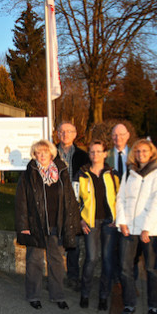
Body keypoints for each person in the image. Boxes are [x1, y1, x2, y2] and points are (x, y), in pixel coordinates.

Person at [15, 139, 81, 310]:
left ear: (52, 153)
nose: (42, 154)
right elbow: (21, 202)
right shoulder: (29, 174)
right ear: (34, 154)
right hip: (36, 225)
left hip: (56, 225)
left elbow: (70, 199)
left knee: (57, 260)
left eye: (45, 151)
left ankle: (57, 295)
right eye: (39, 152)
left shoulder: (62, 171)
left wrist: (72, 222)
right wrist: (24, 225)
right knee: (34, 260)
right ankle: (33, 295)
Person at [116, 139, 157, 314]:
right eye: (137, 151)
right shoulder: (130, 173)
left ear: (151, 153)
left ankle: (154, 306)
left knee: (152, 269)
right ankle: (129, 303)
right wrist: (121, 222)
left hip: (148, 231)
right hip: (128, 229)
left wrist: (147, 227)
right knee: (124, 267)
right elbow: (120, 198)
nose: (141, 154)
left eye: (145, 151)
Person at [75, 140, 119, 311]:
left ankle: (103, 297)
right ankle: (85, 294)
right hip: (90, 223)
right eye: (92, 152)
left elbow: (119, 197)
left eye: (99, 151)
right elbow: (74, 199)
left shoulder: (113, 174)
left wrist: (118, 218)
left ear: (105, 154)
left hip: (109, 223)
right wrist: (80, 219)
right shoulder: (82, 174)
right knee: (91, 259)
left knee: (107, 261)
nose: (95, 155)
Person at [56, 121, 89, 291]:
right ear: (57, 134)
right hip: (56, 203)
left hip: (76, 204)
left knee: (73, 242)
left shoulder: (83, 156)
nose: (65, 134)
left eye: (69, 131)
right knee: (56, 242)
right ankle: (56, 277)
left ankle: (73, 277)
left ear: (75, 134)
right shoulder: (50, 153)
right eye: (62, 131)